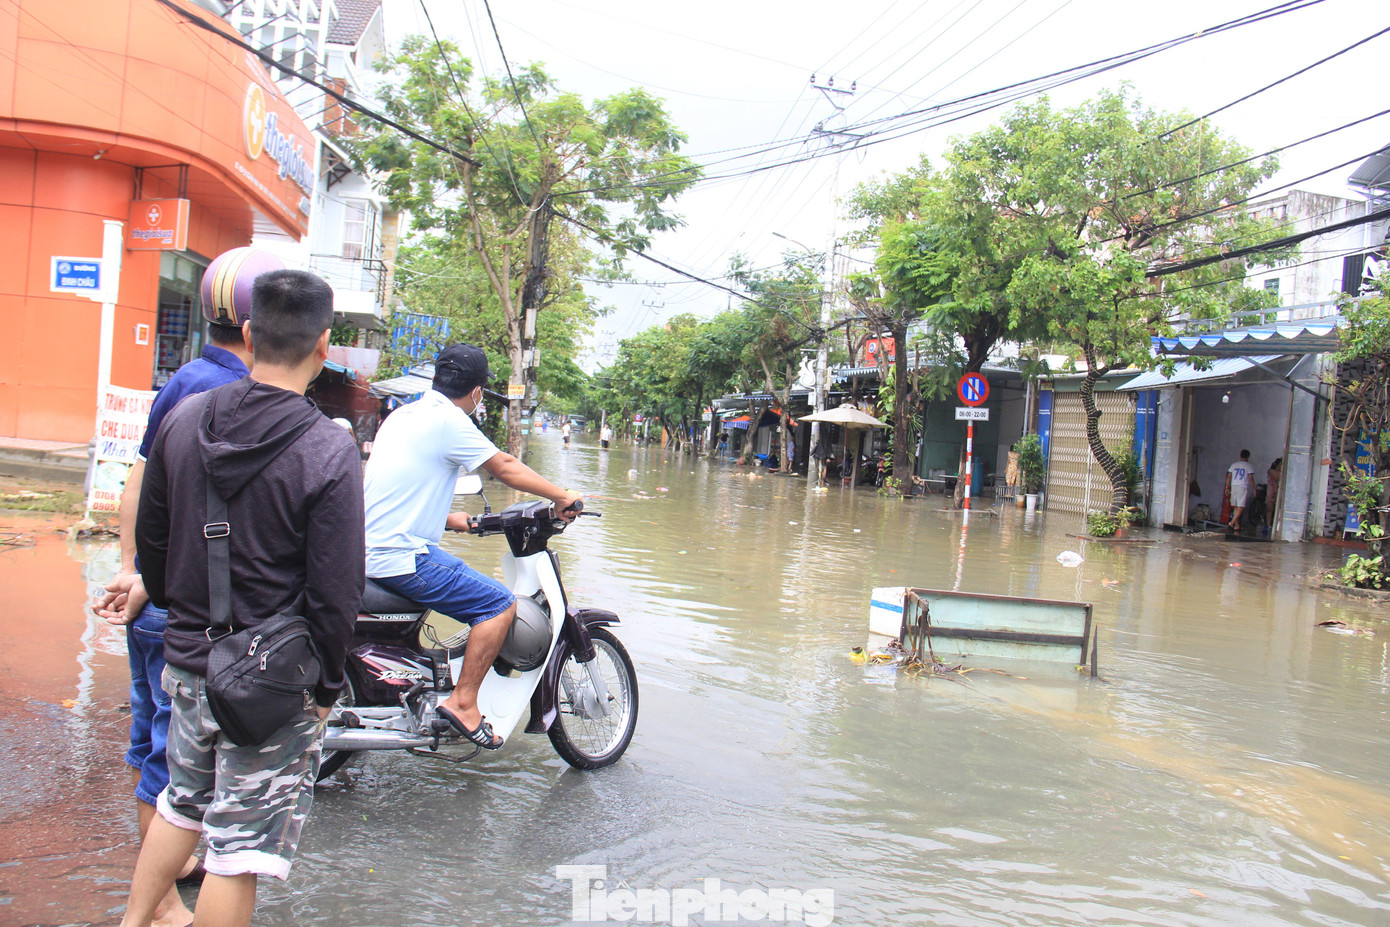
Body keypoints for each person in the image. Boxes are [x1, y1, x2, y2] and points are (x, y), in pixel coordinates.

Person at [119, 270, 364, 927]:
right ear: (324, 345)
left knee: (183, 800)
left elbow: (155, 546)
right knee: (238, 849)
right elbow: (337, 591)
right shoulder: (328, 448)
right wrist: (326, 684)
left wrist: (186, 612)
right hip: (271, 680)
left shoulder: (185, 418)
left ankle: (132, 920)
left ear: (249, 334)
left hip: (190, 659)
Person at [94, 247, 282, 927]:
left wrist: (131, 565)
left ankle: (167, 880)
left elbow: (142, 483)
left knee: (151, 746)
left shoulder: (186, 378)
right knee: (173, 770)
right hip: (184, 608)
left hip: (156, 593)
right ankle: (159, 904)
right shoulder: (223, 395)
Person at [363, 345, 580, 747]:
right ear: (477, 392)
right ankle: (464, 703)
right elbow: (504, 467)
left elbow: (395, 489)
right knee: (498, 604)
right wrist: (560, 496)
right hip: (400, 557)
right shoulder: (450, 420)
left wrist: (449, 519)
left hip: (367, 548)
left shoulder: (401, 415)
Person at [1226, 449, 1256, 532]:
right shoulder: (1248, 466)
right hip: (1242, 486)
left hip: (1234, 485)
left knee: (1235, 506)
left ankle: (1237, 525)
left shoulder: (1234, 465)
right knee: (1241, 506)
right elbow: (1251, 478)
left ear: (1240, 455)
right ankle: (1232, 522)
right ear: (1248, 457)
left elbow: (1229, 475)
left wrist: (1227, 487)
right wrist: (1254, 489)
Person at [1266, 457, 1283, 527]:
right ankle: (1270, 524)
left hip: (1273, 492)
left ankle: (1269, 524)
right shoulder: (1275, 472)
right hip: (1273, 492)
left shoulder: (1271, 471)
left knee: (1271, 509)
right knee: (1272, 508)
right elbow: (1277, 477)